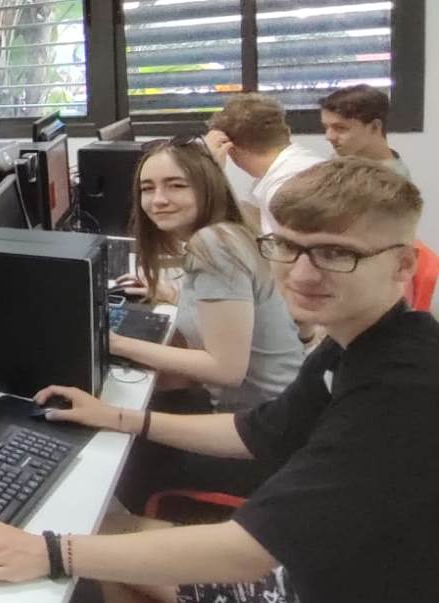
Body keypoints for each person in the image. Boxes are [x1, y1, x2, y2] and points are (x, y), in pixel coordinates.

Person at [0, 158, 439, 603]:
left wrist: (50, 553)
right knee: (100, 528)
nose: (302, 274)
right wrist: (116, 417)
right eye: (288, 246)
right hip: (315, 568)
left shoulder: (405, 387)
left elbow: (249, 553)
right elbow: (256, 430)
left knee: (84, 543)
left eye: (335, 253)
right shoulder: (354, 342)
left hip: (313, 586)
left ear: (402, 264)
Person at [110, 138, 304, 510]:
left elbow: (226, 369)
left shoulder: (213, 245)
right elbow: (228, 315)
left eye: (175, 185)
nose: (158, 200)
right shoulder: (227, 232)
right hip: (274, 420)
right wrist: (173, 296)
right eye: (147, 188)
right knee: (160, 394)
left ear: (206, 187)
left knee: (121, 454)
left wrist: (115, 343)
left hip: (261, 441)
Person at [204, 94, 323, 235]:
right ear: (287, 131)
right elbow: (253, 217)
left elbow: (270, 245)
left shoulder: (284, 186)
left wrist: (210, 170)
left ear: (231, 150)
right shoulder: (300, 163)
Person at [319, 85, 409, 177]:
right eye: (326, 127)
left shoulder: (390, 180)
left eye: (340, 128)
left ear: (374, 127)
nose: (329, 137)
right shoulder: (345, 155)